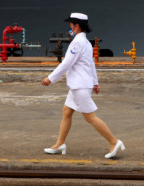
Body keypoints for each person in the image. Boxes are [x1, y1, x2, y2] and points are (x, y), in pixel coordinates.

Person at [42, 12, 125, 159]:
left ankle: (114, 142)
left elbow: (66, 63)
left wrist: (50, 78)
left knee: (90, 117)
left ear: (77, 26)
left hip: (80, 86)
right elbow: (90, 64)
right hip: (79, 85)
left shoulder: (77, 43)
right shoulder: (86, 43)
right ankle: (60, 144)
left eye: (70, 26)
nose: (69, 28)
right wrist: (95, 82)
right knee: (66, 112)